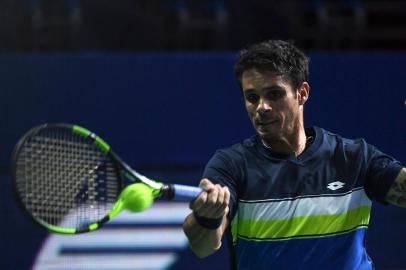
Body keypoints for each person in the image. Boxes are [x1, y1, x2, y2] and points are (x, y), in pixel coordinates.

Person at [182, 39, 406, 269]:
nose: (261, 107)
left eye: (274, 94)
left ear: (302, 93)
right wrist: (208, 217)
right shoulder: (230, 165)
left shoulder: (354, 157)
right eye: (252, 97)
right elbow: (203, 247)